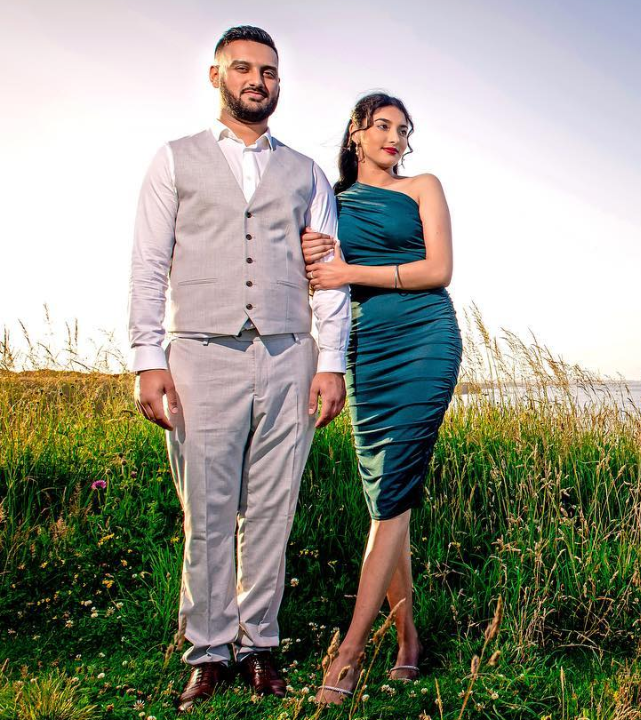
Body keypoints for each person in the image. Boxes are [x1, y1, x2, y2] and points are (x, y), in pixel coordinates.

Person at [127, 25, 351, 713]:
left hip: (289, 355)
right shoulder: (174, 160)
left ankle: (260, 647)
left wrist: (332, 360)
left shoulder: (308, 173)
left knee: (273, 511)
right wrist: (147, 358)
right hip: (198, 352)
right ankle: (207, 650)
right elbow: (150, 264)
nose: (259, 81)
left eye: (270, 72)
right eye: (246, 69)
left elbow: (329, 275)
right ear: (217, 76)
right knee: (208, 510)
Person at [298, 92, 462, 704]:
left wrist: (350, 273)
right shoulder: (330, 204)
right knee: (385, 501)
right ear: (356, 133)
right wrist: (319, 264)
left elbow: (438, 269)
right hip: (366, 350)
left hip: (425, 338)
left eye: (403, 128)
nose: (394, 137)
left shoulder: (423, 186)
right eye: (382, 126)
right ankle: (409, 641)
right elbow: (316, 277)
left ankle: (348, 652)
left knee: (393, 492)